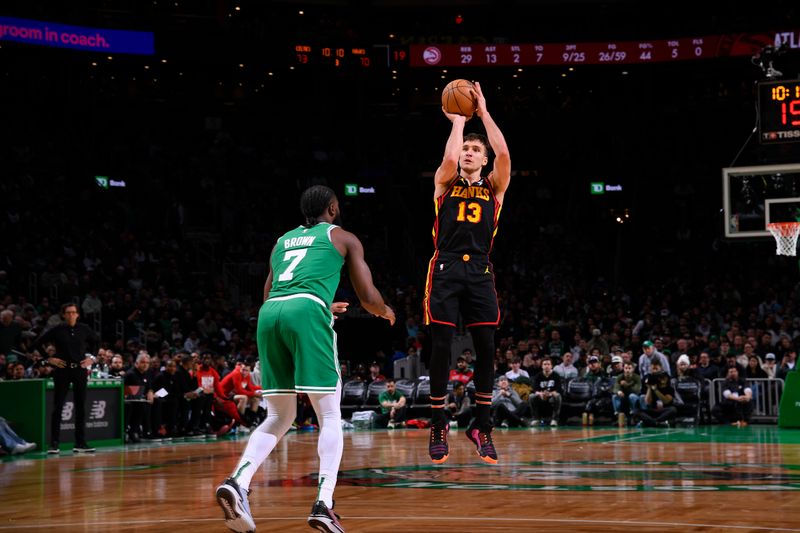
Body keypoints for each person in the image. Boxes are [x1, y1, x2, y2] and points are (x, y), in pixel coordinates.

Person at [216, 185, 395, 533]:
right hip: (306, 312)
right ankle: (324, 503)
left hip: (270, 314)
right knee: (328, 412)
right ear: (331, 208)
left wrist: (313, 302)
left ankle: (238, 481)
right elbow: (367, 295)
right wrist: (384, 311)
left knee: (279, 415)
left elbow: (270, 291)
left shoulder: (282, 240)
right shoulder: (343, 237)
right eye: (337, 205)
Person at [423, 80, 511, 465]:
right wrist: (458, 123)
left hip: (479, 270)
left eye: (477, 150)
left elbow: (504, 152)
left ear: (485, 160)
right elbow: (447, 160)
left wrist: (484, 112)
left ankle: (482, 425)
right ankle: (439, 420)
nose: (470, 153)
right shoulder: (445, 182)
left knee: (487, 348)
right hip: (444, 264)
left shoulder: (495, 188)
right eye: (467, 149)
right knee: (441, 344)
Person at [32, 303, 98, 454]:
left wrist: (92, 358)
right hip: (62, 370)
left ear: (77, 314)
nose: (71, 315)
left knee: (81, 406)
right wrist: (49, 359)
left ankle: (80, 443)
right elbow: (38, 343)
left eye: (74, 312)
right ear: (63, 315)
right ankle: (54, 443)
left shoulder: (84, 329)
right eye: (68, 313)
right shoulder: (57, 330)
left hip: (80, 370)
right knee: (58, 407)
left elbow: (96, 342)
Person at [529, 358, 562, 427]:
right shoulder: (538, 376)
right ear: (542, 366)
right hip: (541, 396)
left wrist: (550, 394)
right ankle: (535, 419)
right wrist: (540, 393)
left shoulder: (556, 375)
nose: (546, 366)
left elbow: (558, 389)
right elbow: (534, 389)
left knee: (558, 396)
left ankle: (554, 419)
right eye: (545, 364)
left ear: (551, 366)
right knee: (531, 396)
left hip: (551, 396)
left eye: (548, 364)